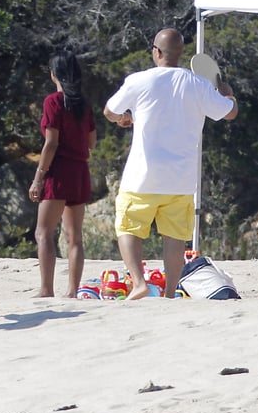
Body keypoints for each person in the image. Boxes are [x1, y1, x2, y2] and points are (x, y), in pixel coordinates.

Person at [102, 28, 239, 300]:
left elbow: (109, 111)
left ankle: (139, 282)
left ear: (156, 51)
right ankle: (168, 292)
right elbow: (230, 113)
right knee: (175, 238)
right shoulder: (197, 84)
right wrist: (229, 93)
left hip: (143, 174)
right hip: (181, 177)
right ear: (180, 53)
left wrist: (123, 118)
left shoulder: (138, 80)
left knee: (128, 227)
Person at [28, 51, 96, 297]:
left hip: (59, 171)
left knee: (43, 232)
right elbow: (92, 142)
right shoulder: (84, 105)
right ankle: (72, 291)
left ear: (54, 74)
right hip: (80, 171)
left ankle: (46, 288)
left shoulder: (53, 102)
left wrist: (39, 177)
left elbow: (51, 143)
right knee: (74, 236)